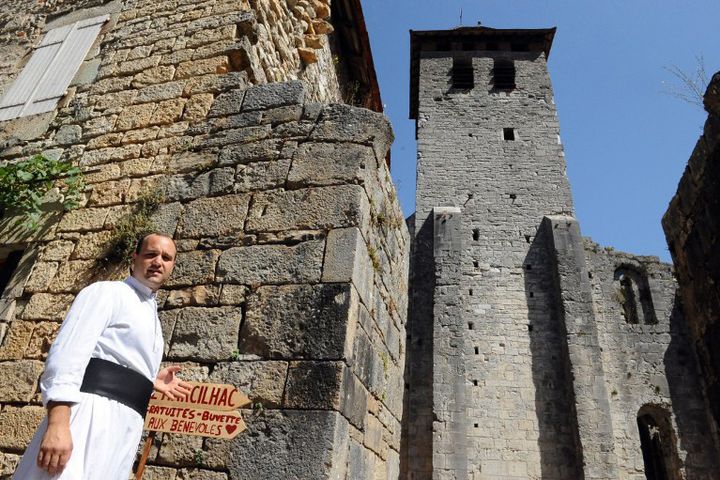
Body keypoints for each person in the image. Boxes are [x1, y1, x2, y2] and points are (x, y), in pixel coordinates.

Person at [13, 233, 191, 479]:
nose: (158, 261)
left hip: (125, 429)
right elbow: (67, 355)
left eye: (166, 257)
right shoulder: (107, 292)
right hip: (89, 418)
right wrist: (58, 424)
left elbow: (116, 357)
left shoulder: (152, 316)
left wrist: (149, 380)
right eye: (151, 254)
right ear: (134, 258)